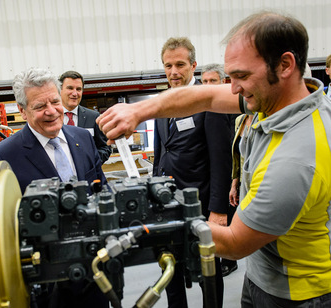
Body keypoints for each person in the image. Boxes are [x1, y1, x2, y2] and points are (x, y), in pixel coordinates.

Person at [97, 11, 331, 307]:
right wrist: (138, 111)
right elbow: (204, 97)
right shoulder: (275, 96)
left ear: (285, 65)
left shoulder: (296, 158)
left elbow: (233, 243)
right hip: (263, 274)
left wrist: (149, 223)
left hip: (293, 293)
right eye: (231, 76)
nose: (232, 88)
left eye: (242, 76)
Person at [0, 68, 109, 308]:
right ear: (22, 111)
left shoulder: (82, 139)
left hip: (93, 268)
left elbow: (101, 190)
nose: (52, 111)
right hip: (45, 281)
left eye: (55, 101)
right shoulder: (2, 158)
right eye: (40, 106)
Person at [155, 37, 232, 308]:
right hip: (167, 207)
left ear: (193, 66)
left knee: (207, 272)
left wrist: (219, 210)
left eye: (180, 64)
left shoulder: (209, 102)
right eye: (168, 65)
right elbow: (161, 156)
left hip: (200, 206)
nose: (173, 72)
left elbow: (221, 160)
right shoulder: (162, 103)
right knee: (170, 272)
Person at [201, 63, 239, 278]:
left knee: (228, 218)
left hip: (232, 173)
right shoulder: (208, 107)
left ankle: (229, 259)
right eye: (204, 81)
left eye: (212, 81)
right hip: (220, 175)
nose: (208, 85)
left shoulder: (229, 108)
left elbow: (226, 151)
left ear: (224, 82)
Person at [59, 70, 112, 164]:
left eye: (78, 89)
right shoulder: (51, 117)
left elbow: (105, 148)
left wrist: (91, 163)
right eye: (70, 88)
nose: (75, 93)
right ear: (60, 90)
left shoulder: (94, 117)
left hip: (89, 175)